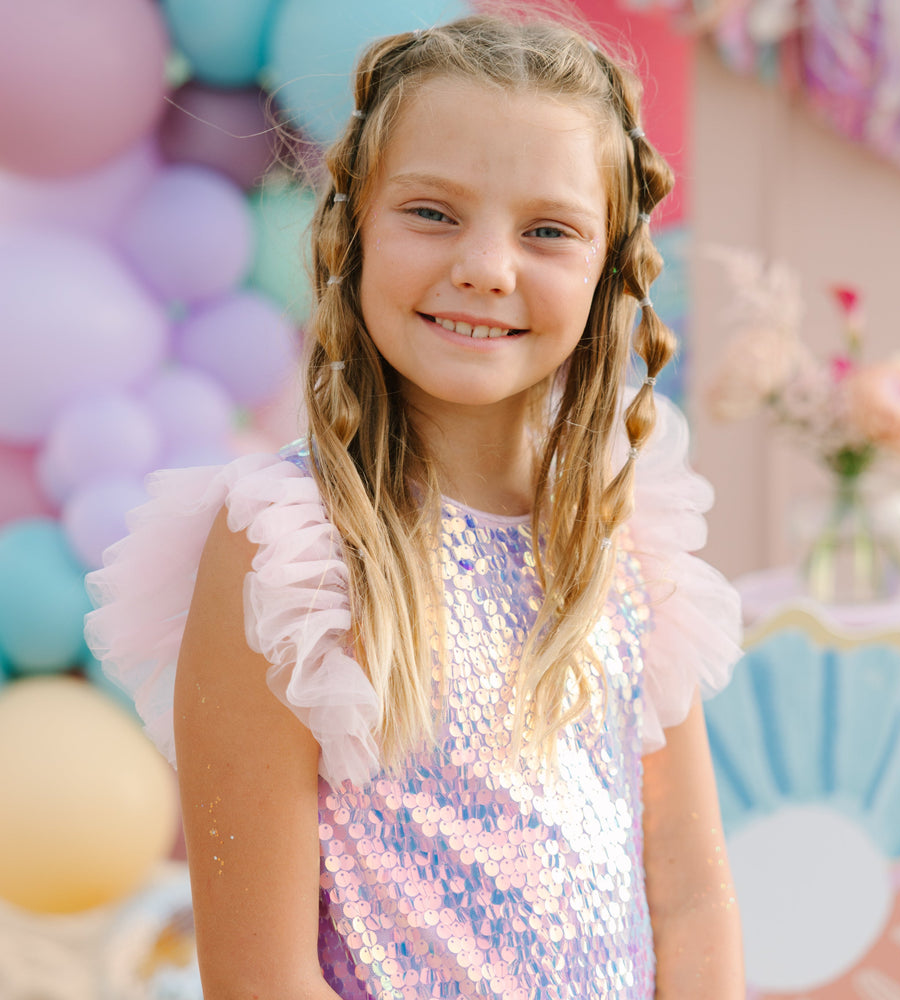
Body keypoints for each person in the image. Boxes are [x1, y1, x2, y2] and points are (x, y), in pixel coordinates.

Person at [86, 10, 745, 999]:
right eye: (432, 212)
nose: (486, 264)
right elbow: (261, 979)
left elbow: (690, 899)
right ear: (352, 227)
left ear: (609, 264)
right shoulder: (288, 552)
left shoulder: (623, 535)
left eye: (548, 229)